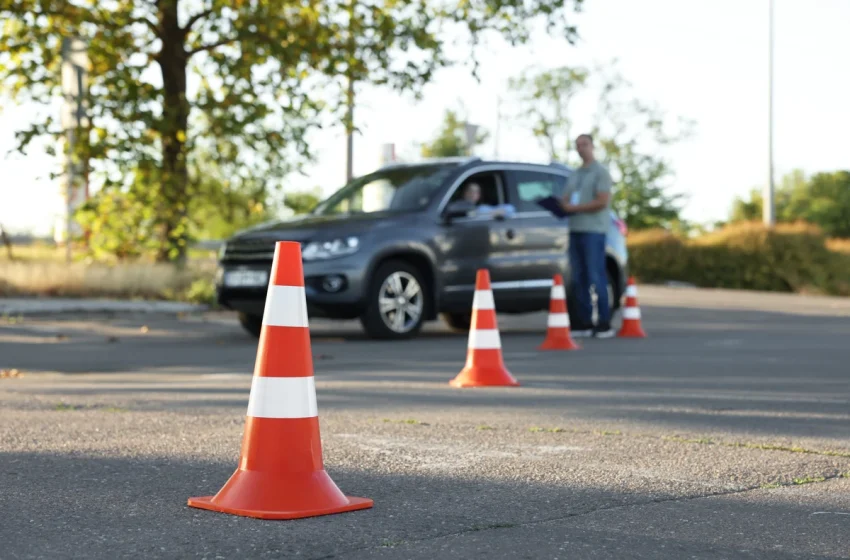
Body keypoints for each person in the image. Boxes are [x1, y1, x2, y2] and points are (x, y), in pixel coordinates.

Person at [560, 134, 614, 338]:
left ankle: (604, 322)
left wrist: (575, 207)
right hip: (575, 230)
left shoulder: (601, 173)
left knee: (595, 275)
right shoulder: (574, 175)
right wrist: (562, 206)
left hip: (593, 231)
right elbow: (565, 199)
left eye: (584, 145)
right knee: (579, 277)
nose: (581, 149)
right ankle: (583, 322)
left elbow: (602, 201)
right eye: (577, 146)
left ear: (592, 146)